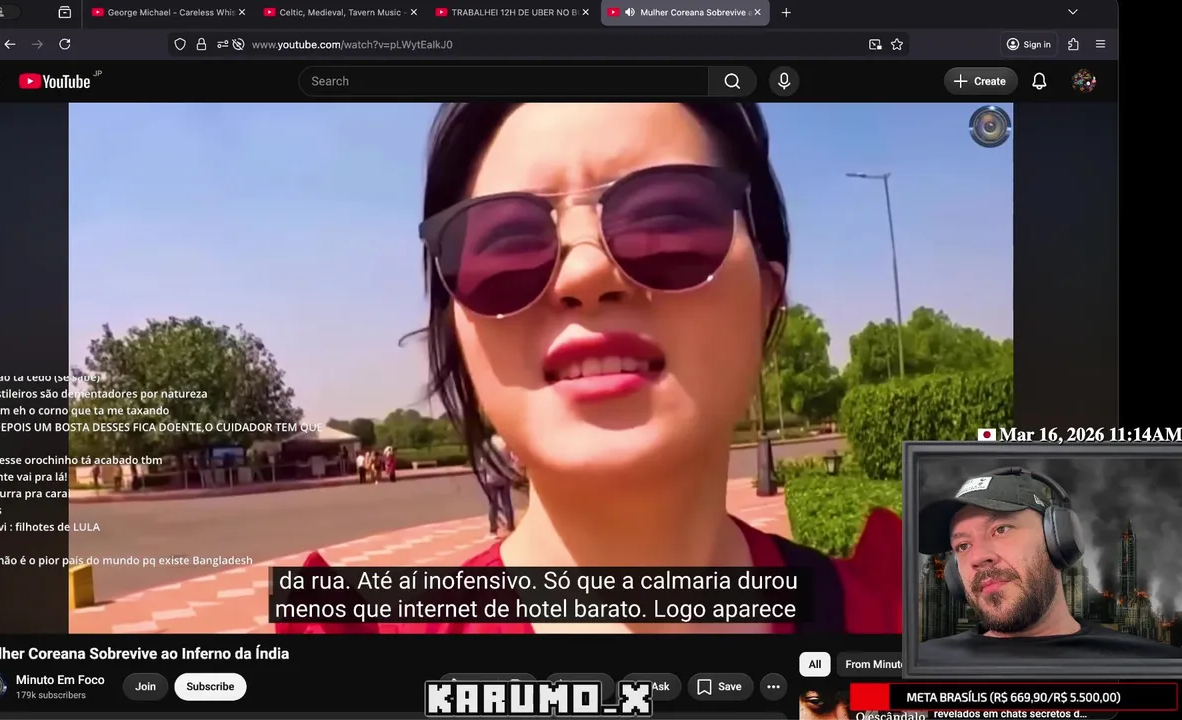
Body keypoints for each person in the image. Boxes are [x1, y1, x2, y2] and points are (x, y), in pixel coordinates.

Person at [279, 102, 901, 634]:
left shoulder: (908, 631)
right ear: (458, 328)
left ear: (767, 294)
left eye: (668, 223)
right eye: (506, 246)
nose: (584, 273)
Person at [918, 468, 1182, 661]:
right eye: (963, 546)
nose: (977, 558)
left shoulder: (1155, 664)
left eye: (1001, 529)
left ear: (1058, 540)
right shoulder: (921, 663)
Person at [480, 436, 516, 538]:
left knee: (493, 505)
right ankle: (511, 526)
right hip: (504, 477)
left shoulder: (487, 444)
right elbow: (511, 460)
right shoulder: (505, 442)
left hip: (491, 478)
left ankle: (493, 529)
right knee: (507, 502)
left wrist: (484, 477)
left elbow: (483, 463)